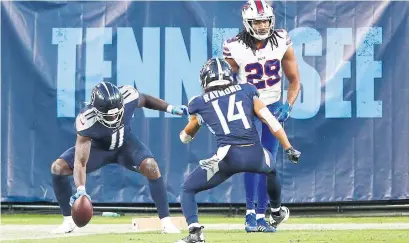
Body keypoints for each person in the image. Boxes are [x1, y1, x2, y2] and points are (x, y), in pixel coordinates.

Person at [175, 58, 300, 243]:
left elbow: (187, 135)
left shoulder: (198, 102)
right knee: (272, 170)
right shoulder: (247, 90)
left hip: (227, 157)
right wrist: (289, 147)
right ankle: (276, 212)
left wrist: (188, 131)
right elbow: (270, 120)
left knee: (188, 188)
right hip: (255, 154)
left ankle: (195, 233)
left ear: (204, 80)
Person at [51, 81, 187, 234]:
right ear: (95, 110)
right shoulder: (86, 120)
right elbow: (80, 162)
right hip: (98, 150)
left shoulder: (128, 96)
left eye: (117, 113)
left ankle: (166, 222)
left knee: (151, 166)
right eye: (109, 116)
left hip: (125, 146)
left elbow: (146, 100)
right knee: (58, 167)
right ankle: (68, 221)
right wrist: (81, 190)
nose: (114, 118)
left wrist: (171, 108)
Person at [223, 0, 301, 232]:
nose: (262, 26)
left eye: (265, 21)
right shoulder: (234, 46)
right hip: (248, 109)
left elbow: (295, 79)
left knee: (268, 164)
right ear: (247, 22)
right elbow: (225, 83)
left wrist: (288, 105)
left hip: (273, 107)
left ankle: (261, 215)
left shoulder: (280, 40)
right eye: (257, 21)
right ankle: (250, 215)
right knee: (251, 162)